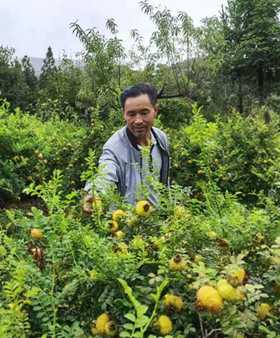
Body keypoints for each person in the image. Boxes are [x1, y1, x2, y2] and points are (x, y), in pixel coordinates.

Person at [83, 83, 170, 212]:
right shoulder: (114, 147)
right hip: (126, 227)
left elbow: (163, 181)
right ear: (124, 114)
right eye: (131, 114)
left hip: (157, 223)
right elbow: (106, 173)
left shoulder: (161, 139)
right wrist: (95, 193)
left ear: (155, 111)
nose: (138, 120)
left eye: (144, 113)